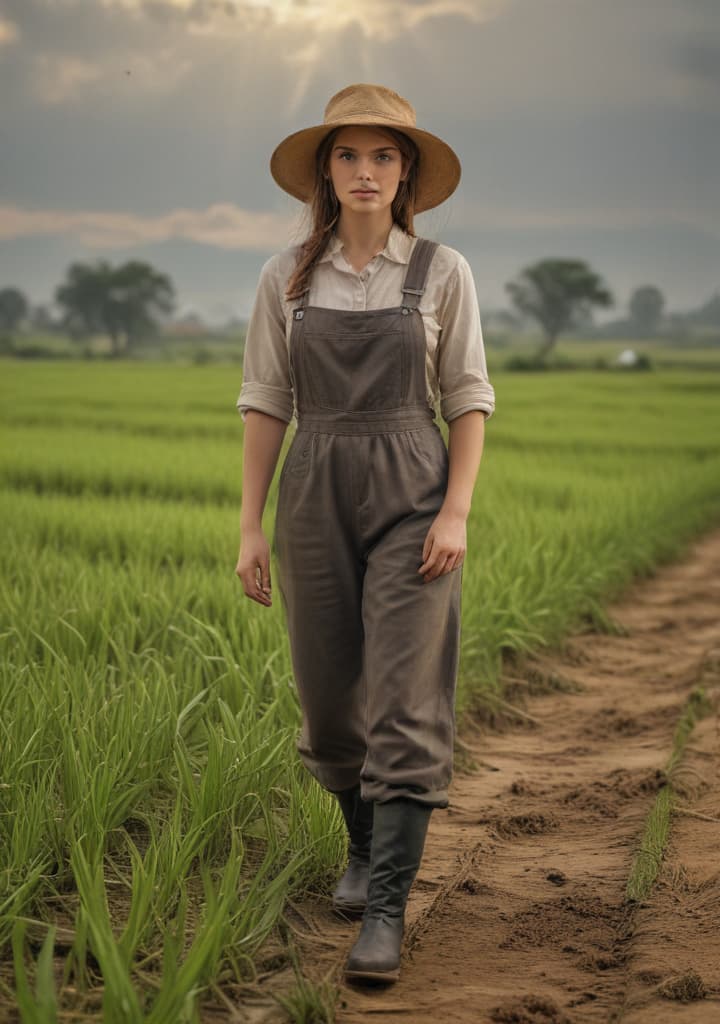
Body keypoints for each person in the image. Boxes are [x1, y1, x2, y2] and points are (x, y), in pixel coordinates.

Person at [235, 83, 495, 984]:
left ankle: (385, 909)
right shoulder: (285, 277)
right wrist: (250, 528)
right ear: (324, 170)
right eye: (347, 155)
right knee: (328, 691)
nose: (365, 171)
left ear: (407, 171)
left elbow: (467, 399)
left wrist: (456, 510)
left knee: (404, 698)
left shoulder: (441, 271)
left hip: (413, 489)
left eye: (384, 155)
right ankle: (357, 847)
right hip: (312, 487)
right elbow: (268, 402)